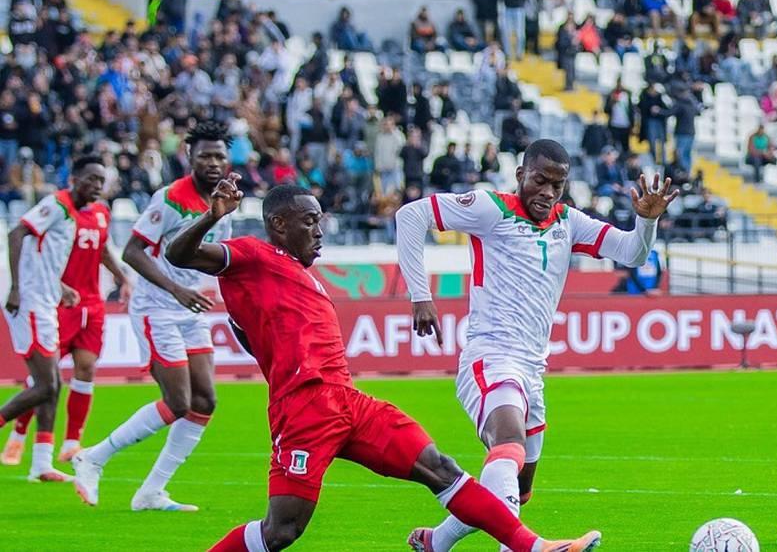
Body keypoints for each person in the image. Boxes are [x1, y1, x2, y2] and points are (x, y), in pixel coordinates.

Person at [162, 180, 601, 552]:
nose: (320, 230)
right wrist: (212, 216)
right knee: (281, 531)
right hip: (304, 410)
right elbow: (178, 254)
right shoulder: (250, 255)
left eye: (320, 220)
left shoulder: (300, 274)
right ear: (278, 224)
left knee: (441, 468)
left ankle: (533, 546)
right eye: (309, 221)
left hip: (348, 402)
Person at [395, 139, 678, 552]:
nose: (547, 192)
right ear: (520, 175)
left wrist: (646, 222)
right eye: (539, 181)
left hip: (532, 372)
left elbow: (632, 253)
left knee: (516, 488)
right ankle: (522, 547)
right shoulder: (491, 209)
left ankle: (436, 541)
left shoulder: (569, 222)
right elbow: (411, 215)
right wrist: (420, 295)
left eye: (557, 185)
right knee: (507, 442)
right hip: (490, 358)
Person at [72, 121, 236, 511]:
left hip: (189, 309)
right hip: (156, 308)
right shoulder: (170, 198)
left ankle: (151, 492)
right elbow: (132, 252)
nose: (213, 163)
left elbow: (214, 254)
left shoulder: (224, 201)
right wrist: (176, 289)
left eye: (220, 156)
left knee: (205, 400)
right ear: (189, 156)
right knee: (178, 401)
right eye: (205, 156)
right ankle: (93, 457)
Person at [2, 192, 131, 466]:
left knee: (86, 368)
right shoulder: (62, 213)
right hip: (58, 301)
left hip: (92, 302)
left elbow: (102, 250)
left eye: (100, 181)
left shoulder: (101, 213)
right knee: (45, 377)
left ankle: (71, 444)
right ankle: (18, 434)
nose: (96, 186)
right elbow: (32, 248)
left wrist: (122, 278)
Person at [0, 156, 105, 482]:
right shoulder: (57, 204)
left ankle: (41, 464)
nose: (97, 186)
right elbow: (16, 234)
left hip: (46, 300)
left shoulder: (74, 214)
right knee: (46, 384)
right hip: (31, 303)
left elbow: (41, 257)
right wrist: (15, 288)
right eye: (91, 179)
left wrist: (60, 287)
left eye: (101, 181)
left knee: (52, 385)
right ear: (74, 179)